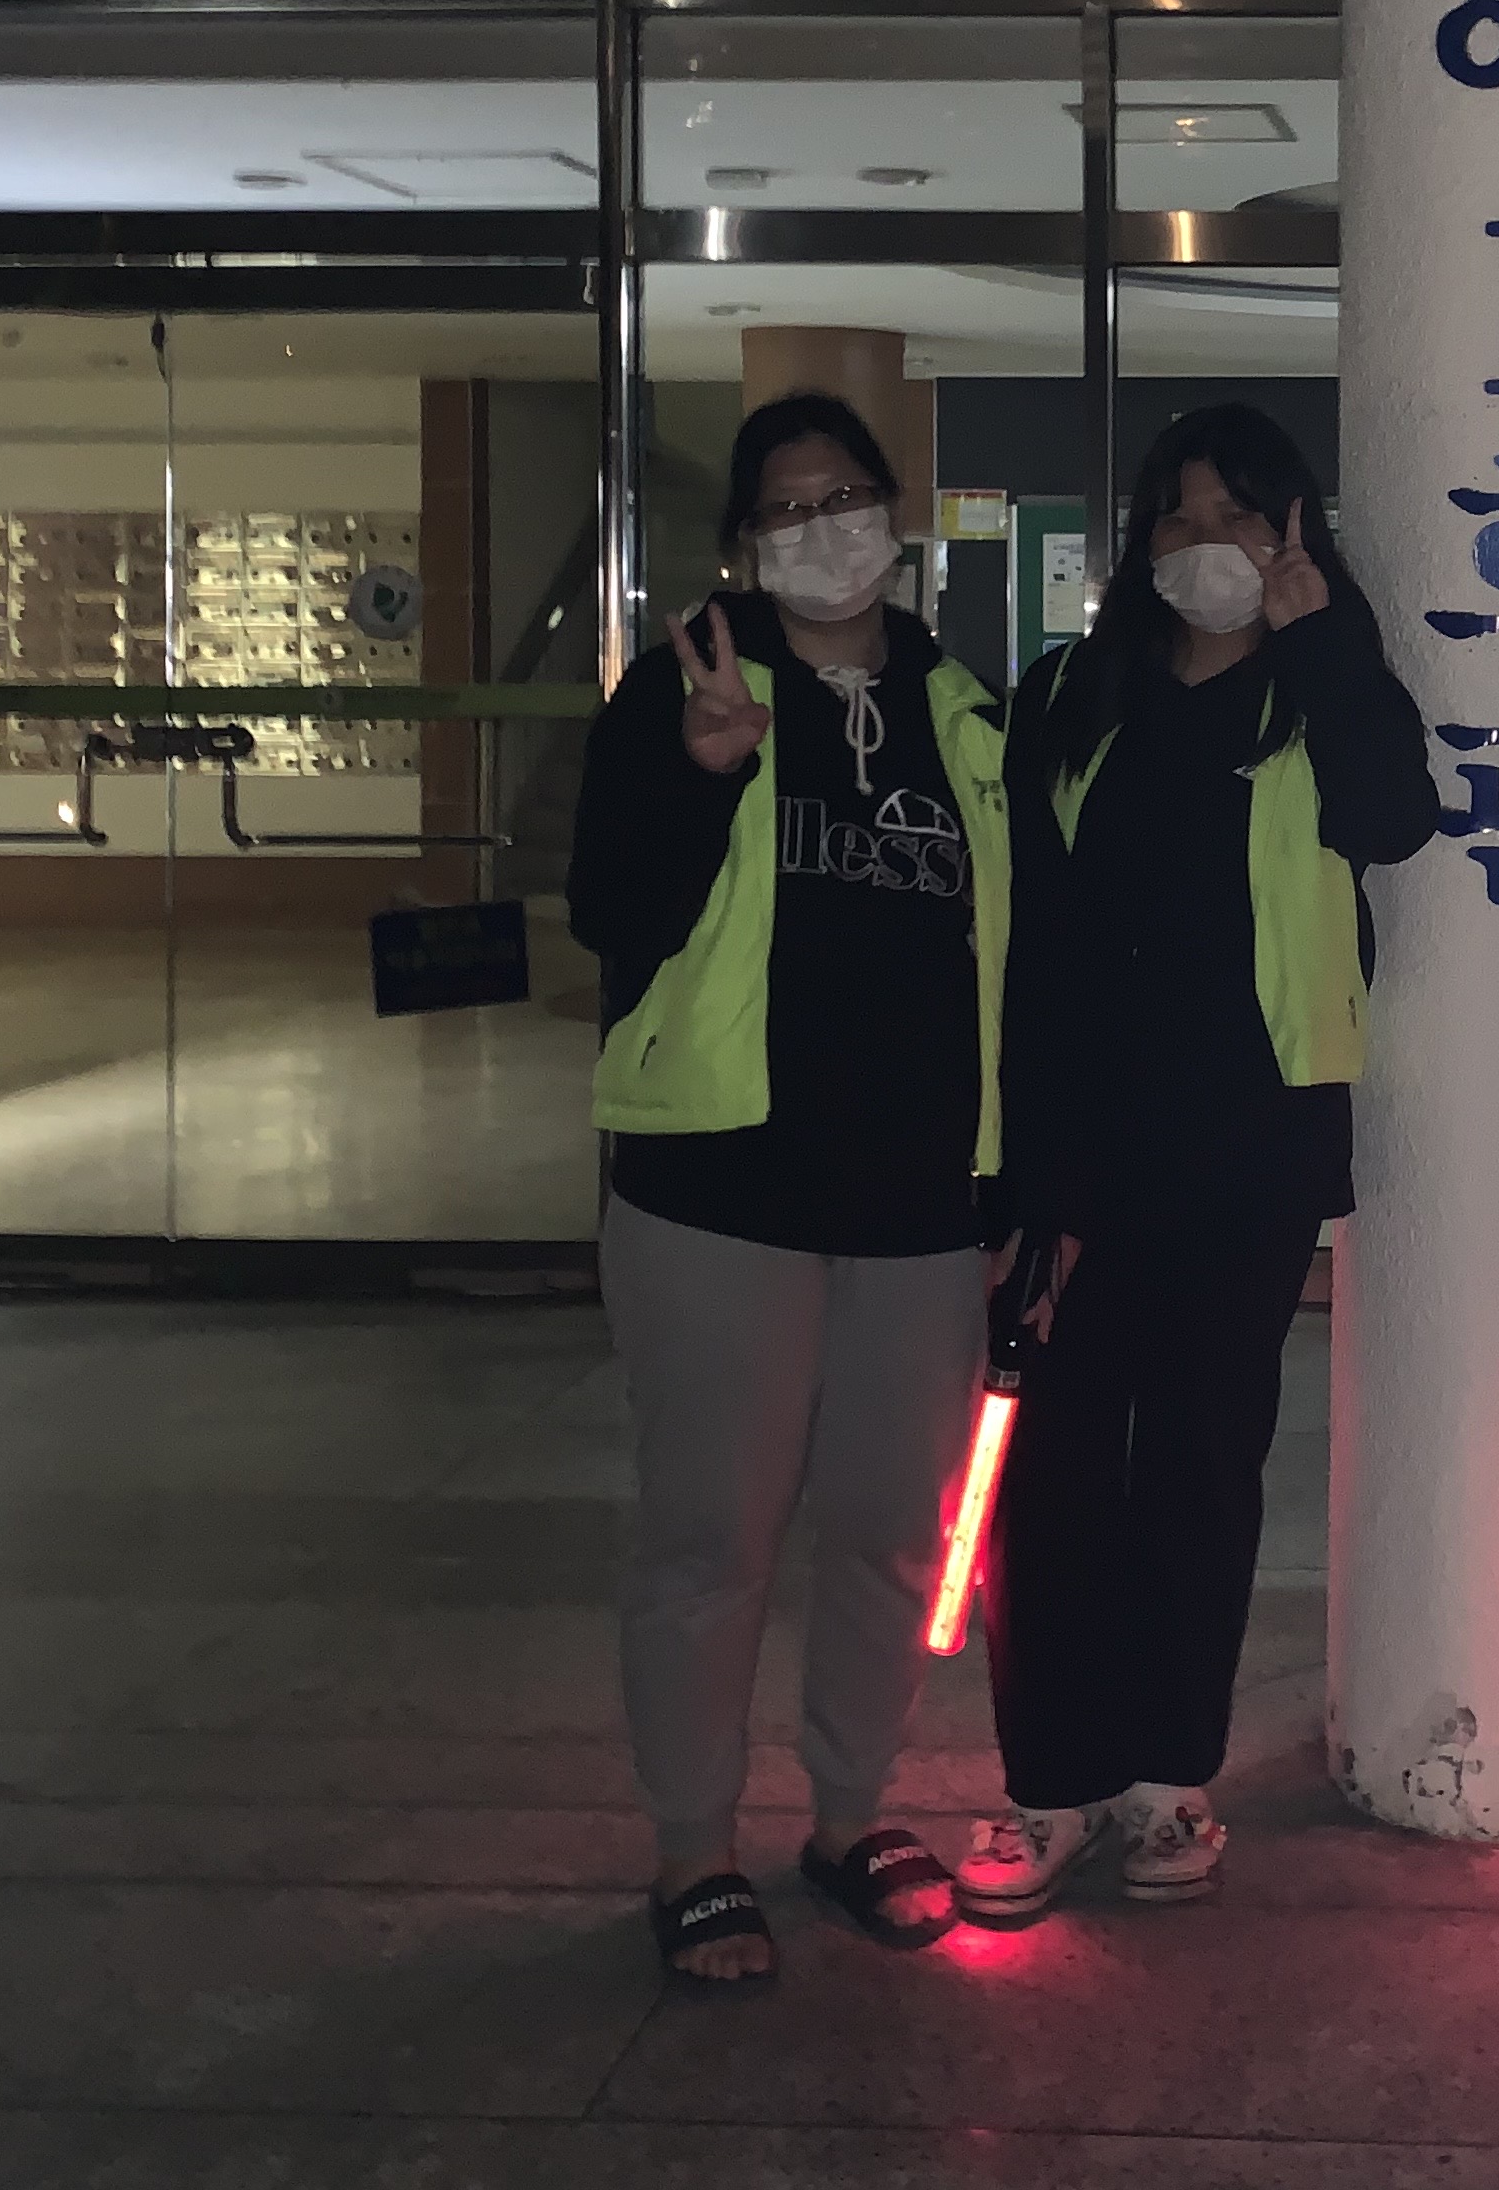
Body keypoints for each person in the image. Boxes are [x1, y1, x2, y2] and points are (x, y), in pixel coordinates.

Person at [955, 403, 1440, 1923]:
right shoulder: (1068, 697)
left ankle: (1170, 1779)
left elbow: (1395, 819)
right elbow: (1018, 937)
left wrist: (1318, 637)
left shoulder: (1321, 690)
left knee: (1201, 1469)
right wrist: (1012, 1173)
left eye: (1238, 513)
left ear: (1294, 531)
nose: (1204, 541)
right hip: (1078, 1156)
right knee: (1051, 1474)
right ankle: (1051, 1783)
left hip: (1248, 1151)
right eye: (1177, 513)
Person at [569, 392, 1006, 1983]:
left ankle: (849, 1816)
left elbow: (1007, 955)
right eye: (789, 508)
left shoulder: (965, 709)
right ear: (746, 543)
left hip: (921, 1200)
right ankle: (694, 1846)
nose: (826, 530)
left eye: (848, 496)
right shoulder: (688, 684)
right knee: (712, 1536)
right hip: (720, 1189)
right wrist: (700, 774)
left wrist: (1012, 1178)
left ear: (895, 509)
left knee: (894, 1532)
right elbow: (605, 908)